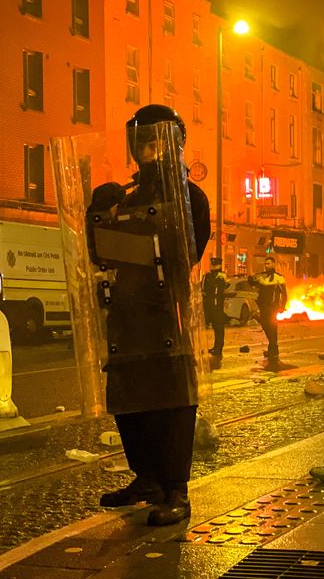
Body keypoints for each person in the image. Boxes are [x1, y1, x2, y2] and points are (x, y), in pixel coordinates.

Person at [87, 104, 210, 526]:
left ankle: (176, 489)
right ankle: (147, 479)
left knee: (172, 403)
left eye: (155, 140)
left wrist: (129, 234)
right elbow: (100, 256)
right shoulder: (127, 197)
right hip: (126, 317)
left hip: (166, 317)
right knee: (129, 401)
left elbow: (181, 255)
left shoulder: (190, 197)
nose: (147, 149)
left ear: (175, 143)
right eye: (141, 141)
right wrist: (97, 217)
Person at [248, 256, 288, 369]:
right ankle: (273, 349)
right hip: (263, 307)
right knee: (266, 326)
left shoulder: (278, 278)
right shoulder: (263, 277)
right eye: (265, 264)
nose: (267, 266)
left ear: (274, 264)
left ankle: (273, 350)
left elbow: (284, 295)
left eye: (269, 263)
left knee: (272, 328)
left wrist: (282, 307)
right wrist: (251, 278)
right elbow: (253, 283)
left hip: (272, 307)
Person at [202, 257, 229, 357]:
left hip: (217, 307)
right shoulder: (208, 276)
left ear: (219, 266)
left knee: (219, 329)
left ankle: (218, 348)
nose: (212, 266)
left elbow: (218, 288)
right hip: (209, 306)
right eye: (212, 265)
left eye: (215, 265)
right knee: (214, 328)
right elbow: (204, 289)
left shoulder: (221, 276)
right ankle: (215, 347)